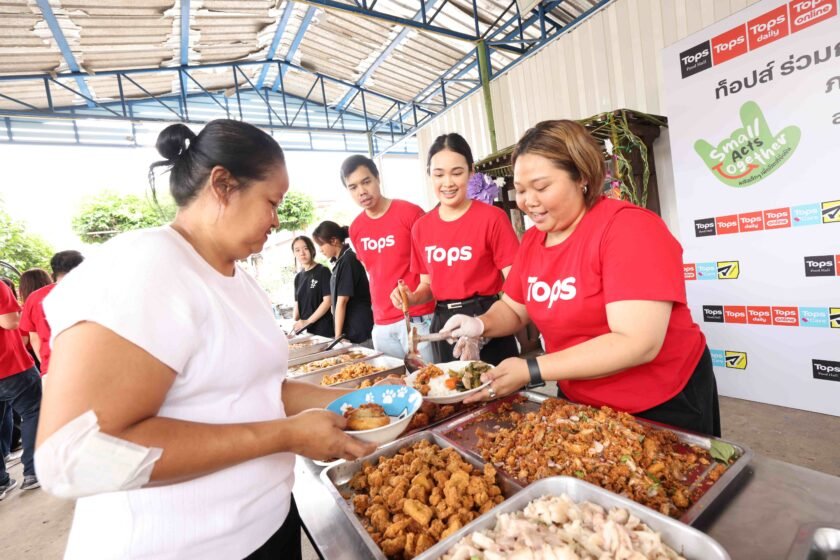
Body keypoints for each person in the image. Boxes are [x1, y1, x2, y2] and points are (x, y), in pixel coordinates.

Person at [35, 119, 376, 559]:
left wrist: (362, 403)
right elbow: (74, 456)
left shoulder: (239, 280)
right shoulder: (144, 266)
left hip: (268, 525)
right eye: (271, 202)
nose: (276, 221)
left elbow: (260, 389)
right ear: (222, 185)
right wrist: (284, 436)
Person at [444, 120, 720, 436]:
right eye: (520, 190)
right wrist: (479, 325)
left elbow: (637, 342)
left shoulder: (628, 229)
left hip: (660, 401)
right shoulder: (534, 240)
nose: (528, 201)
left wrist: (532, 369)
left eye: (541, 187)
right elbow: (514, 308)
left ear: (582, 178)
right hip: (581, 399)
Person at [390, 133, 520, 364]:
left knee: (498, 384)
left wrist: (485, 327)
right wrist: (411, 297)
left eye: (457, 173)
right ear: (430, 175)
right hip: (444, 325)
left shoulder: (493, 218)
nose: (448, 183)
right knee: (449, 385)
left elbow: (516, 283)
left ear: (471, 172)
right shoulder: (421, 227)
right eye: (439, 174)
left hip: (488, 316)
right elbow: (427, 285)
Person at [342, 155, 435, 361]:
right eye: (353, 187)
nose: (361, 191)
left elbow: (432, 269)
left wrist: (414, 297)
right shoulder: (356, 228)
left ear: (377, 178)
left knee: (432, 380)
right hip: (381, 324)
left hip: (417, 319)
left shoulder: (410, 213)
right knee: (392, 380)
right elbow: (372, 272)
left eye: (366, 182)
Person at [0, 278, 43, 499]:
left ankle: (1, 481)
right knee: (33, 412)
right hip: (9, 365)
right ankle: (33, 471)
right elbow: (10, 322)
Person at [20, 252, 84, 376]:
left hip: (52, 367)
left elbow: (34, 338)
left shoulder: (34, 297)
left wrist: (45, 365)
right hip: (91, 365)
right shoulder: (97, 294)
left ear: (54, 271)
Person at [312, 220, 374, 345]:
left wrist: (337, 337)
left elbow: (342, 301)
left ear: (334, 241)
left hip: (359, 332)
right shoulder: (340, 261)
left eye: (321, 244)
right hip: (351, 331)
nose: (320, 250)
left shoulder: (348, 260)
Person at [291, 235, 333, 337]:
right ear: (294, 254)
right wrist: (295, 321)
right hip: (306, 332)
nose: (302, 253)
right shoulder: (298, 277)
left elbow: (328, 301)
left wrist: (308, 321)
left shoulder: (323, 271)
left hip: (324, 331)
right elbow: (297, 305)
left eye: (305, 248)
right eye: (297, 250)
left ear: (312, 250)